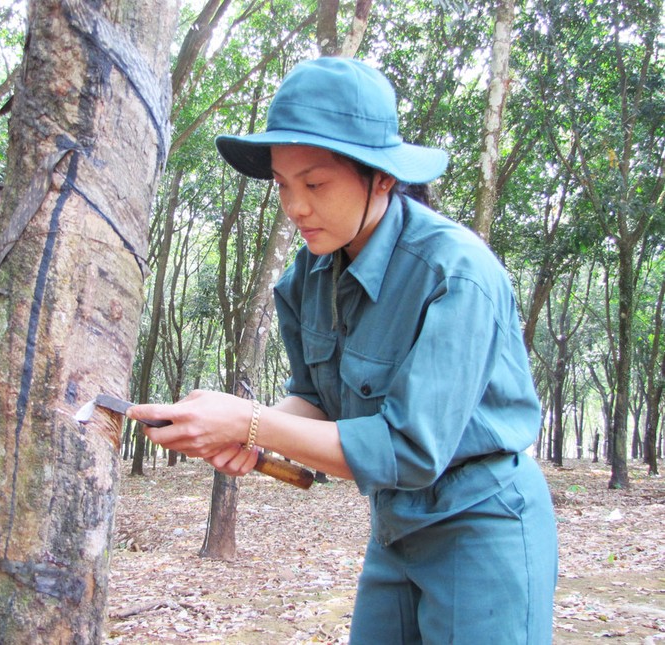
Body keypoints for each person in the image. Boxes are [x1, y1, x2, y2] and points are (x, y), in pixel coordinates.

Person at [128, 57, 558, 644]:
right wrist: (243, 430)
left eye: (315, 183)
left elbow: (409, 449)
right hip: (393, 529)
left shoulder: (455, 274)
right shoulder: (305, 279)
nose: (295, 207)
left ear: (381, 177)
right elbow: (316, 399)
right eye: (282, 184)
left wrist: (251, 422)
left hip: (481, 523)